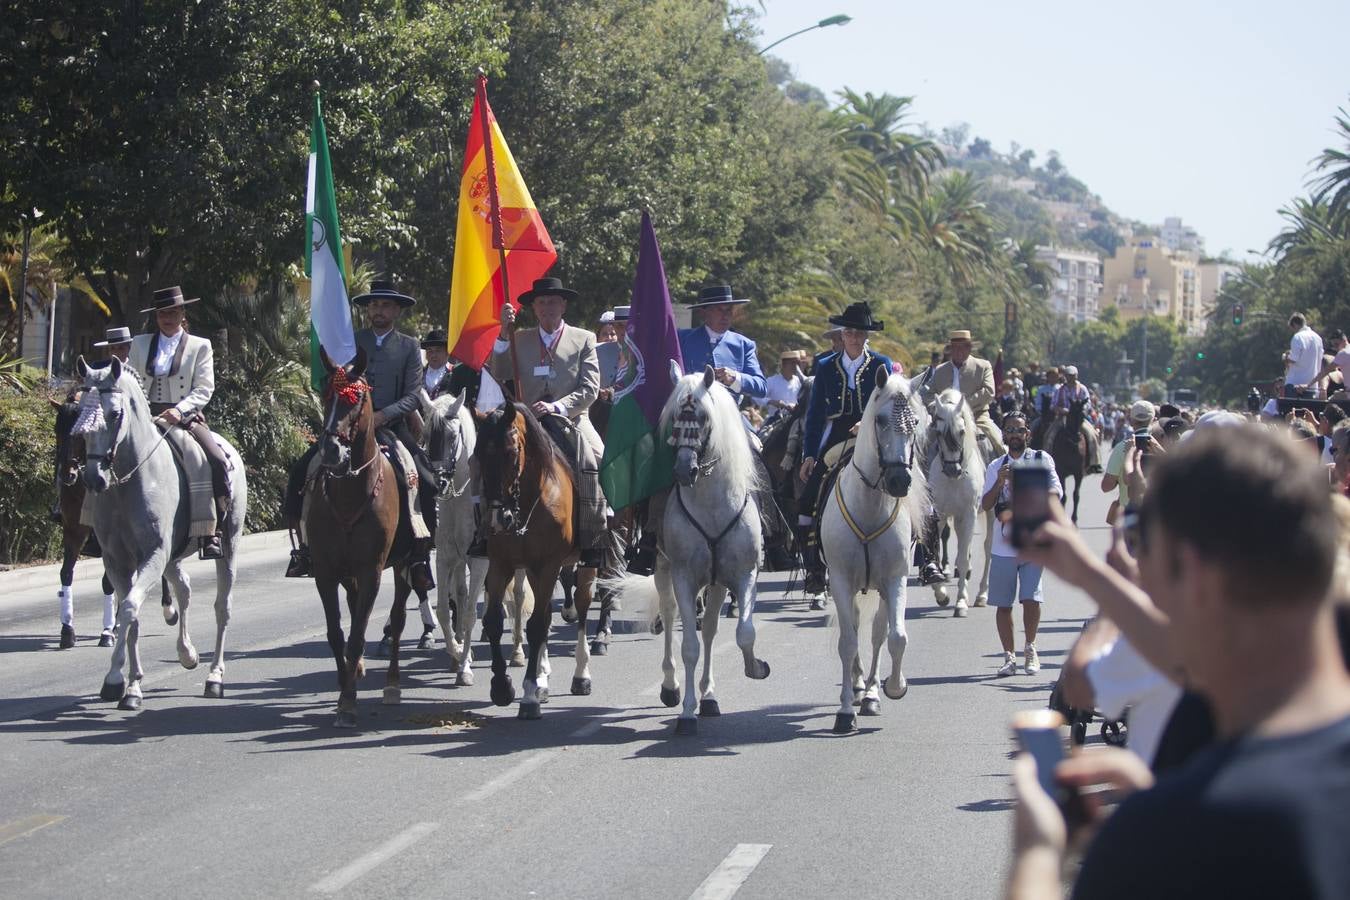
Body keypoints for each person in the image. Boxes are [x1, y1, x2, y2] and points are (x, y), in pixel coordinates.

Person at [1008, 426, 1350, 900]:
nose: (1143, 584)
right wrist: (1090, 575)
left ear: (1193, 575)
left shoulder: (1175, 833)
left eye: (1147, 558)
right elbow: (1181, 657)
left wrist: (1037, 852)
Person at [283, 279, 435, 590]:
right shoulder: (350, 342)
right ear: (368, 310)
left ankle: (419, 554)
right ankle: (304, 549)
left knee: (425, 477)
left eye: (386, 305)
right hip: (348, 426)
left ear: (396, 311)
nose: (379, 310)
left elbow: (412, 396)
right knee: (302, 471)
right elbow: (335, 382)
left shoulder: (409, 346)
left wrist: (381, 416)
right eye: (374, 305)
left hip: (390, 427)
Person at [491, 276, 607, 569]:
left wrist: (557, 406)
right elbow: (499, 371)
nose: (547, 307)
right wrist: (503, 333)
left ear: (563, 305)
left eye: (553, 302)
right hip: (527, 419)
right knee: (489, 456)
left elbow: (590, 388)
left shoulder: (584, 338)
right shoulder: (519, 338)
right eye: (541, 302)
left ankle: (596, 534)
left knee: (596, 459)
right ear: (534, 308)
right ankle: (487, 528)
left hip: (572, 418)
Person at [126, 287, 231, 559]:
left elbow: (204, 388)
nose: (167, 318)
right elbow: (129, 379)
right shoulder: (139, 344)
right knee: (104, 450)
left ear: (183, 313)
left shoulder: (200, 346)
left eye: (172, 312)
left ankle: (210, 531)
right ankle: (93, 527)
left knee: (213, 459)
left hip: (183, 418)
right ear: (156, 316)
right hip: (145, 416)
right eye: (162, 313)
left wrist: (180, 410)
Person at [796, 301, 892, 594]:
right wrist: (809, 454)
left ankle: (927, 559)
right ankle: (813, 566)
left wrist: (867, 422)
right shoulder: (825, 366)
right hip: (838, 435)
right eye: (849, 332)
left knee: (908, 482)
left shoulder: (881, 364)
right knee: (807, 499)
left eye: (859, 333)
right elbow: (815, 415)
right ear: (842, 334)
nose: (853, 337)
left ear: (866, 336)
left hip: (873, 434)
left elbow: (887, 404)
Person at [979, 412, 1061, 677]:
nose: (1015, 434)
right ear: (1003, 434)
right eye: (1010, 430)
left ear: (1028, 433)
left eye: (1020, 430)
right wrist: (1000, 482)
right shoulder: (995, 466)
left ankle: (1030, 647)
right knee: (1004, 604)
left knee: (1030, 598)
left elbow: (1056, 493)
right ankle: (1009, 656)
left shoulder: (1041, 459)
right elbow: (986, 504)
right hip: (1003, 545)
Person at [921, 329, 1004, 457]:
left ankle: (1006, 464)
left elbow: (989, 391)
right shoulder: (940, 370)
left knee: (997, 443)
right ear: (950, 349)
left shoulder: (983, 366)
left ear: (969, 348)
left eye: (963, 347)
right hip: (944, 419)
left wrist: (963, 406)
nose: (959, 351)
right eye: (955, 347)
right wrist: (939, 408)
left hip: (977, 417)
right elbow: (927, 393)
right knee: (922, 444)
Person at [1101, 400, 1157, 522]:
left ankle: (1093, 461)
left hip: (1129, 514)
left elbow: (1106, 486)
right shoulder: (1159, 446)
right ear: (1153, 420)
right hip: (1155, 516)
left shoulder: (1122, 447)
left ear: (1131, 421)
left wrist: (1116, 479)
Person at [1043, 365, 1100, 472]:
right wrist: (1061, 410)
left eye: (1073, 375)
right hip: (1063, 418)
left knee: (1092, 435)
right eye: (1069, 375)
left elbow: (1088, 404)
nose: (1071, 378)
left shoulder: (1082, 389)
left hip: (1078, 419)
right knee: (1049, 435)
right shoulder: (1060, 389)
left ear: (1076, 376)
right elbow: (1053, 405)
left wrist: (1080, 409)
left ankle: (1094, 463)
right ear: (1065, 376)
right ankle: (1046, 462)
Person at [1284, 311, 1323, 398]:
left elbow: (1293, 359)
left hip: (1295, 384)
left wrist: (1286, 357)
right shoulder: (1318, 338)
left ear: (1295, 324)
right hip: (1312, 385)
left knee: (1291, 406)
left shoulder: (1297, 337)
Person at [1303, 328, 1348, 397]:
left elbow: (1325, 372)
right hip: (1346, 390)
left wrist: (1308, 385)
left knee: (1331, 401)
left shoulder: (1343, 353)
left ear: (1344, 340)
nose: (1336, 348)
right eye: (1333, 346)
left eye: (1336, 344)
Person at [596, 305, 631, 393]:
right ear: (614, 327)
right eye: (619, 325)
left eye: (628, 325)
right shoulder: (597, 351)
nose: (624, 330)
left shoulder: (644, 353)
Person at [759, 350, 804, 418]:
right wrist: (772, 402)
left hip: (795, 419)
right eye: (793, 363)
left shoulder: (799, 382)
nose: (796, 366)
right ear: (783, 364)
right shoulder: (772, 381)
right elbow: (756, 397)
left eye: (797, 363)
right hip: (775, 419)